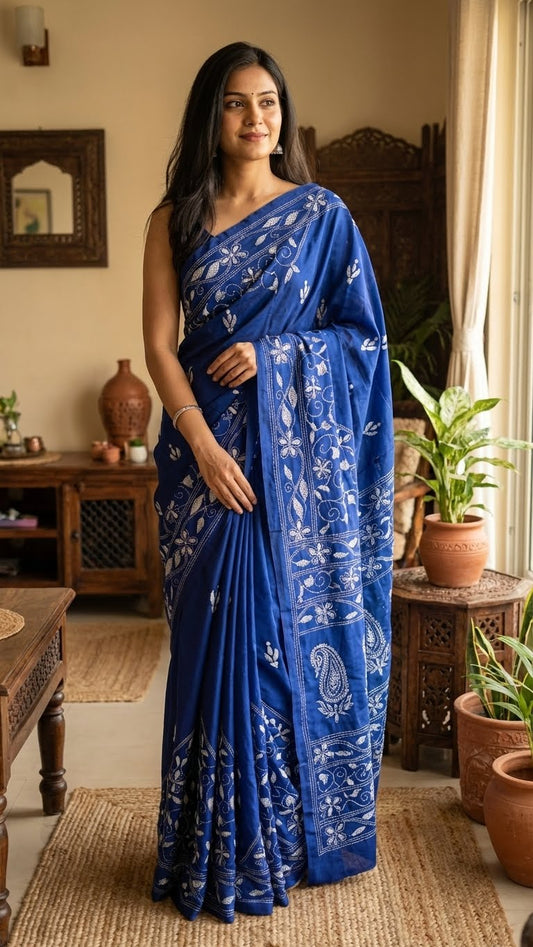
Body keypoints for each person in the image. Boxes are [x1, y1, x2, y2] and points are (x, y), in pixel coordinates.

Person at [143, 40, 394, 924]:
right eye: (238, 104)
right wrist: (201, 442)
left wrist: (282, 355)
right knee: (208, 648)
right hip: (201, 459)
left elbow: (364, 343)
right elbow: (161, 349)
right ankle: (201, 842)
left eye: (270, 103)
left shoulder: (321, 217)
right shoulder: (174, 217)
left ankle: (273, 844)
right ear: (210, 114)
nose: (258, 120)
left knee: (272, 651)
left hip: (288, 469)